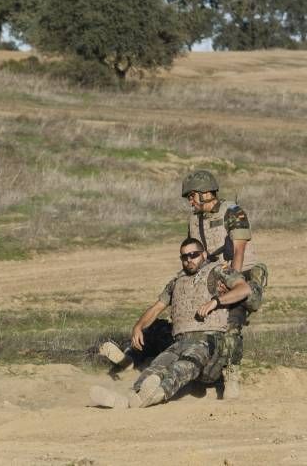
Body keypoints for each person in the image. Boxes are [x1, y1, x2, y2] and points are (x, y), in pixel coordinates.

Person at [99, 170, 268, 399]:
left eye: (192, 196)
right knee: (182, 315)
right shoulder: (194, 218)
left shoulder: (233, 212)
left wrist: (231, 284)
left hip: (242, 270)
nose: (190, 201)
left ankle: (231, 375)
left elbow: (239, 250)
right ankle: (134, 356)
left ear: (206, 194)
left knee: (232, 317)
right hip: (212, 271)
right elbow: (194, 250)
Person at [90, 237, 252, 409]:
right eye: (184, 256)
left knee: (184, 366)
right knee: (156, 368)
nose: (189, 259)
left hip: (209, 341)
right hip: (181, 341)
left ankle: (156, 394)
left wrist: (216, 302)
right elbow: (157, 307)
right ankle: (128, 398)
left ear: (204, 254)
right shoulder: (176, 282)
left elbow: (244, 289)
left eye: (194, 254)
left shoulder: (218, 271)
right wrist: (138, 326)